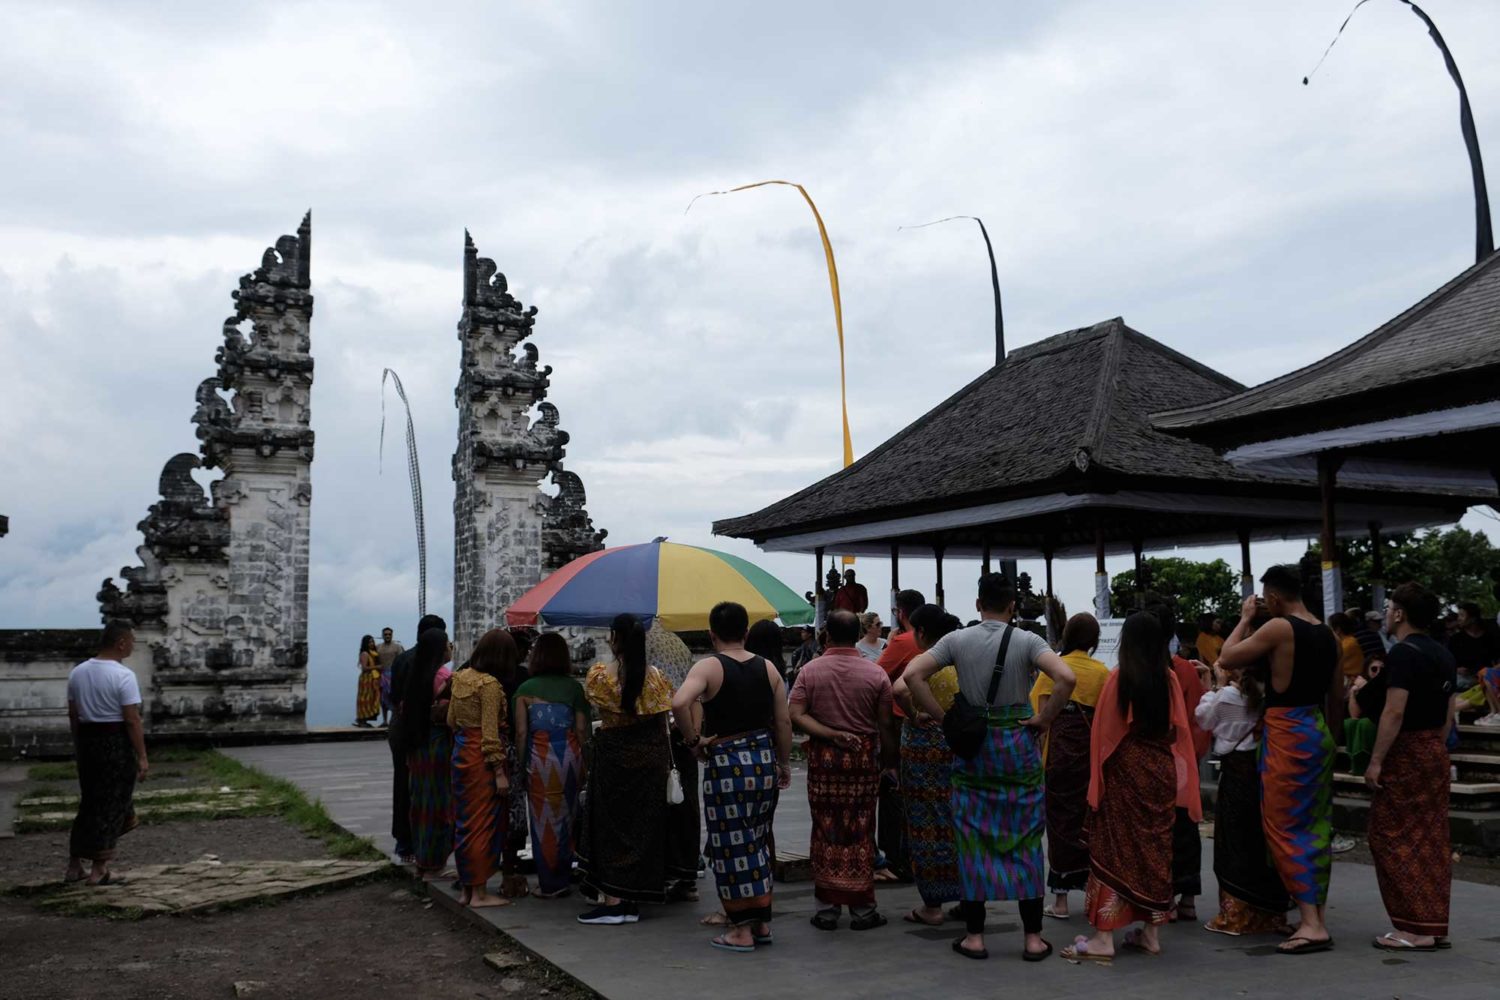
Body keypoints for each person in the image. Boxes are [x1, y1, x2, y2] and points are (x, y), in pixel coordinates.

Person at [904, 573, 1076, 962]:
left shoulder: (956, 640)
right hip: (1017, 745)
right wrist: (1045, 719)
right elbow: (1066, 677)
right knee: (1026, 836)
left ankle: (975, 937)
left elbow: (912, 676)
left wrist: (943, 718)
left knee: (972, 837)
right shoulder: (1028, 640)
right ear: (1013, 606)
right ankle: (1033, 938)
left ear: (978, 603)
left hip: (974, 747)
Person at [1061, 613, 1202, 962]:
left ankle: (1103, 938)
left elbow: (1105, 734)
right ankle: (1151, 934)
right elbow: (1177, 731)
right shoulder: (1168, 678)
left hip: (1127, 771)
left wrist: (1100, 779)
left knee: (1113, 849)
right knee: (1155, 850)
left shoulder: (1120, 678)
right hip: (1161, 771)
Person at [1218, 564, 1339, 955]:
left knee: (1285, 827)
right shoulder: (1327, 632)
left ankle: (1311, 923)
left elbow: (1227, 658)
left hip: (1287, 731)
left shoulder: (1279, 627)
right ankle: (1314, 914)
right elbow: (1336, 694)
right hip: (1317, 730)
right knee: (1316, 826)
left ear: (1272, 598)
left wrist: (1245, 618)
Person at [672, 602, 794, 953]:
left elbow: (680, 703)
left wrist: (694, 741)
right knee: (756, 841)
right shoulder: (768, 667)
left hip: (727, 765)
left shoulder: (709, 666)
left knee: (730, 846)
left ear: (712, 634)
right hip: (763, 762)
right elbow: (783, 722)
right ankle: (762, 922)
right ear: (745, 632)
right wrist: (783, 764)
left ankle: (740, 929)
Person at [1359, 583, 1457, 951]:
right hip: (1434, 747)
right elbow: (1449, 713)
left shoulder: (1402, 653)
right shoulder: (1442, 653)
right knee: (1430, 838)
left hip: (1407, 750)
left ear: (1399, 614)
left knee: (1389, 834)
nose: (1386, 614)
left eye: (1388, 608)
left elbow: (1394, 710)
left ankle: (1415, 928)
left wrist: (1377, 759)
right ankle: (1432, 922)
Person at [789, 609, 895, 931]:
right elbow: (886, 725)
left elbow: (795, 713)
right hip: (863, 760)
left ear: (827, 635)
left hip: (825, 760)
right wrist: (890, 763)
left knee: (825, 829)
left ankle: (827, 909)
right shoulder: (876, 674)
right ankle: (863, 910)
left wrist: (830, 734)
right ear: (856, 634)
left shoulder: (810, 671)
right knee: (862, 830)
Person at [577, 614, 679, 924]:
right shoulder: (657, 678)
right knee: (641, 828)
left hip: (614, 760)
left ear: (614, 638)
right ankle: (632, 897)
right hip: (650, 760)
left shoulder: (600, 677)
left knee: (610, 827)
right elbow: (663, 721)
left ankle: (613, 900)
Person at [1196, 611, 1292, 936]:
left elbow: (1204, 719)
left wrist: (1212, 686)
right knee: (1259, 840)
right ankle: (1269, 913)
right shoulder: (1266, 696)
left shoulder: (1227, 695)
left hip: (1235, 773)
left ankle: (1236, 915)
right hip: (1261, 771)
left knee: (1233, 842)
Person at [1030, 613, 1110, 920]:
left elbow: (1041, 716)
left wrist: (1039, 758)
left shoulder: (1054, 669)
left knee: (1060, 824)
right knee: (1090, 822)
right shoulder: (1102, 672)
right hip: (1090, 756)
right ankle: (1093, 895)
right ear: (1093, 641)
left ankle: (1061, 901)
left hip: (1058, 756)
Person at [890, 604, 963, 926]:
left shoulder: (928, 659)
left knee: (926, 825)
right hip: (960, 746)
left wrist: (913, 714)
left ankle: (932, 906)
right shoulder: (962, 659)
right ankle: (970, 898)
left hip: (924, 750)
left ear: (921, 633)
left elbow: (899, 689)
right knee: (959, 821)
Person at [63, 622, 147, 886]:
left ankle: (74, 865)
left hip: (88, 741)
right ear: (121, 643)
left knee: (89, 802)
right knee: (112, 804)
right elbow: (132, 720)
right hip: (115, 742)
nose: (133, 644)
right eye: (131, 640)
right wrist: (142, 756)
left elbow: (73, 715)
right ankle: (100, 868)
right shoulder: (123, 675)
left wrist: (79, 745)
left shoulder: (78, 672)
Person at [514, 632, 590, 899]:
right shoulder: (574, 688)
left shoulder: (525, 690)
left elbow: (522, 734)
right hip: (569, 757)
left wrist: (523, 766)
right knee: (567, 817)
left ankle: (550, 883)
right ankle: (565, 873)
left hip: (540, 759)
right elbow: (582, 731)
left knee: (543, 819)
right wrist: (586, 764)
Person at [447, 628, 515, 908]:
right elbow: (490, 734)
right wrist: (499, 773)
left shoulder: (460, 679)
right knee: (483, 824)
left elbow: (451, 721)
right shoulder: (488, 686)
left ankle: (467, 889)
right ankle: (479, 894)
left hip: (461, 750)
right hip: (482, 758)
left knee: (465, 823)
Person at [387, 614, 443, 864]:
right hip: (419, 730)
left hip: (399, 727)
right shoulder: (430, 663)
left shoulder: (402, 658)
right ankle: (422, 844)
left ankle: (404, 842)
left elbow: (393, 694)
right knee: (423, 789)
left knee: (402, 783)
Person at [402, 626, 456, 879]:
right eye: (447, 643)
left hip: (417, 745)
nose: (450, 647)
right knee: (439, 803)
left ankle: (423, 860)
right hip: (437, 745)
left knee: (421, 803)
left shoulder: (415, 676)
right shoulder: (442, 675)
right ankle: (436, 863)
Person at [1449, 602, 1500, 695]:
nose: (1459, 619)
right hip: (1464, 677)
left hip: (1485, 676)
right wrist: (1456, 669)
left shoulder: (1490, 637)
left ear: (1473, 618)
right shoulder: (1455, 639)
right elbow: (1449, 661)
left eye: (1462, 615)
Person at [376, 626, 404, 727]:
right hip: (381, 675)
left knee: (393, 698)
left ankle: (393, 720)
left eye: (389, 634)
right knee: (383, 699)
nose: (387, 636)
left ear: (392, 635)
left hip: (393, 675)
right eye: (385, 634)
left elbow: (401, 660)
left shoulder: (397, 647)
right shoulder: (378, 647)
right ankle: (384, 720)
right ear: (382, 635)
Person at [1328, 613, 1365, 690]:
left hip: (1351, 684)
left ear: (1337, 630)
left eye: (1330, 628)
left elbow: (1331, 663)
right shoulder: (1348, 641)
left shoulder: (1348, 644)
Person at [355, 634, 381, 727]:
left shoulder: (373, 653)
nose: (372, 643)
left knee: (371, 699)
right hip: (366, 678)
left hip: (373, 678)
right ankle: (361, 719)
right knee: (365, 699)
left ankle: (365, 719)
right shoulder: (365, 653)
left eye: (372, 641)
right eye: (370, 642)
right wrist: (376, 667)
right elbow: (364, 668)